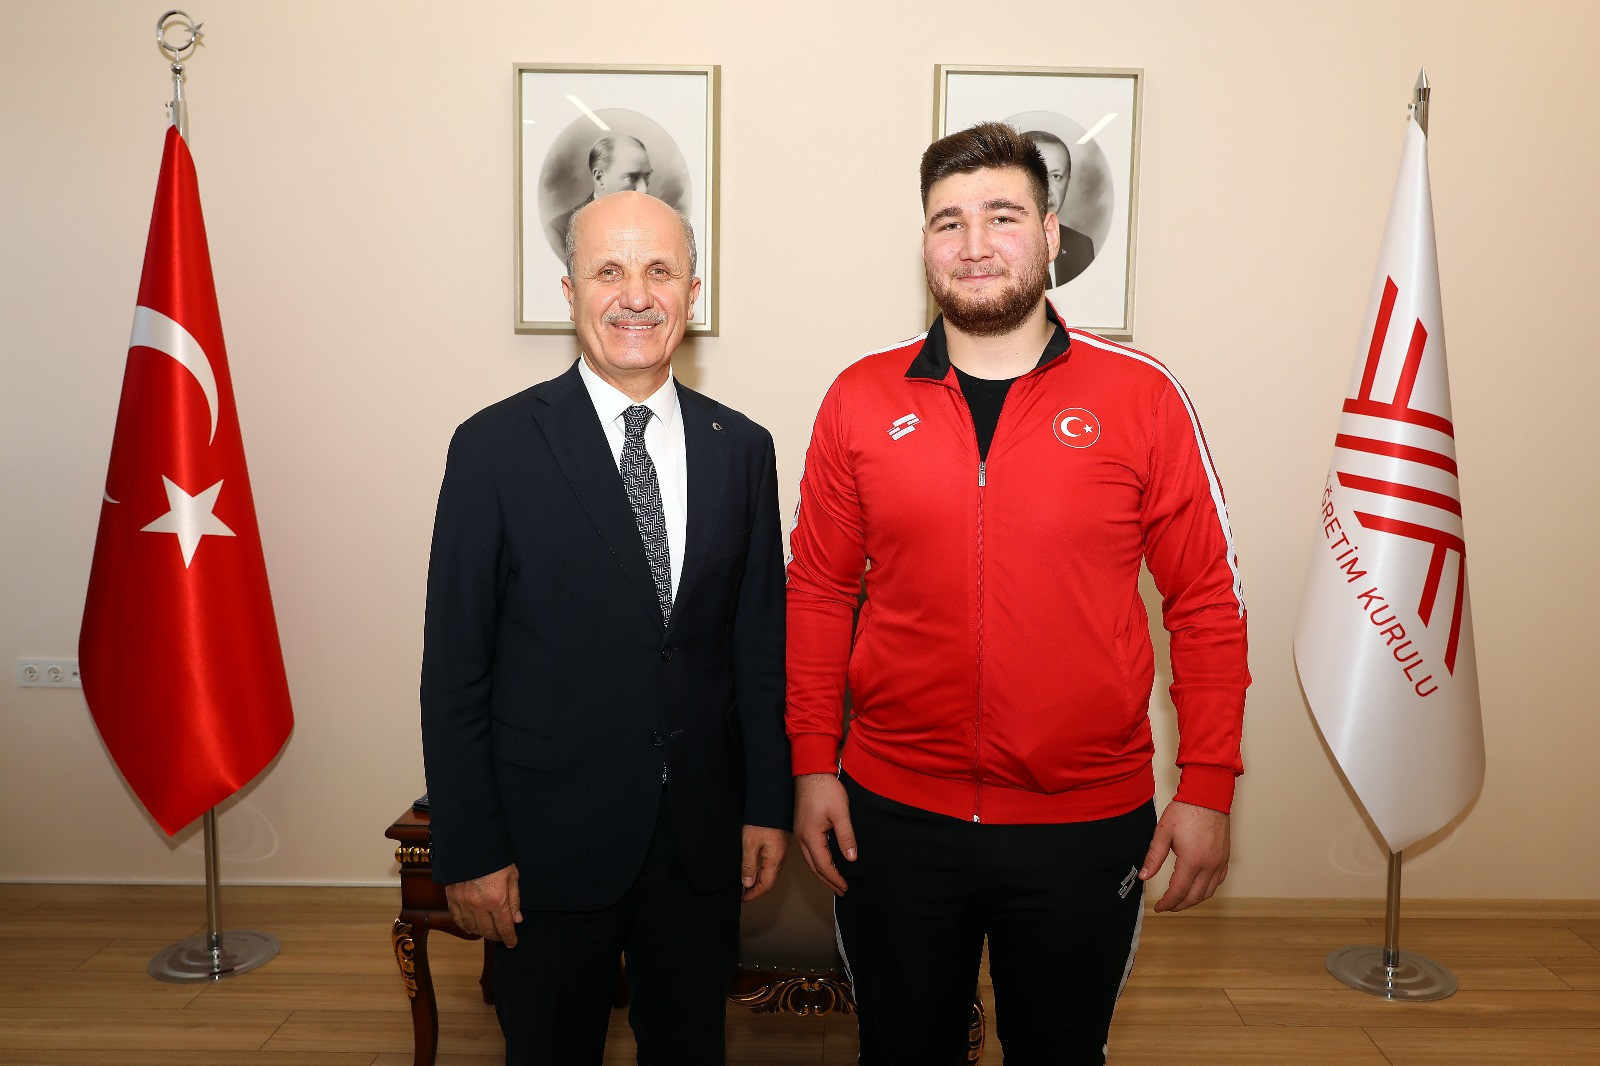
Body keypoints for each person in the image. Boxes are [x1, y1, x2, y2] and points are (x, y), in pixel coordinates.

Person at [785, 122, 1249, 1065]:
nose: (973, 243)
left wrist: (1207, 783)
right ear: (924, 244)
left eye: (1001, 216)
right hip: (892, 816)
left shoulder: (1143, 395)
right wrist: (811, 762)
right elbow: (820, 591)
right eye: (947, 221)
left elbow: (1205, 598)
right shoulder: (860, 398)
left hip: (1085, 822)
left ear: (1048, 234)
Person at [422, 190, 791, 1065]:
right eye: (609, 271)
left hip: (699, 842)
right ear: (570, 291)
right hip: (547, 846)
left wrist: (766, 805)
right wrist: (470, 850)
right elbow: (456, 669)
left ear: (692, 292)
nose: (636, 296)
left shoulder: (743, 448)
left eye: (660, 271)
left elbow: (756, 648)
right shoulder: (492, 448)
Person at [546, 135, 655, 257]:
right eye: (631, 177)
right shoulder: (559, 232)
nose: (644, 190)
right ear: (599, 178)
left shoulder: (655, 226)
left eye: (646, 176)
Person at [1023, 128, 1096, 288]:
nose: (1047, 188)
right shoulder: (990, 247)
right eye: (1036, 174)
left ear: (1068, 181)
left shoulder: (1081, 246)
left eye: (1056, 176)